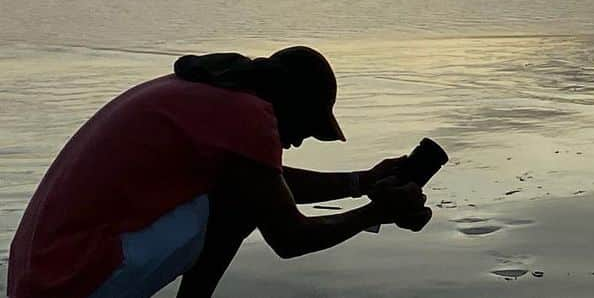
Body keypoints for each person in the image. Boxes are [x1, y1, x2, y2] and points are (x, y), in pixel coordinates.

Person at [7, 46, 431, 298]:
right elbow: (289, 237)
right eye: (306, 127)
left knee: (239, 195)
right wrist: (375, 214)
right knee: (236, 202)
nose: (299, 141)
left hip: (44, 276)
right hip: (75, 279)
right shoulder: (247, 113)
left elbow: (266, 184)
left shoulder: (210, 96)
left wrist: (362, 183)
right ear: (291, 102)